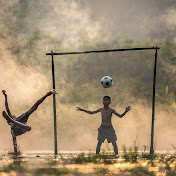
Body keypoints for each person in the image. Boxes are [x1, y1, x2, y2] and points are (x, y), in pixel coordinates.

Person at [2, 89, 57, 155]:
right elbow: (7, 108)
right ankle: (12, 121)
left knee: (31, 112)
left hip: (19, 125)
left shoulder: (20, 118)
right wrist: (15, 151)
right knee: (28, 127)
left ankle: (12, 121)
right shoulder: (15, 122)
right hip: (17, 127)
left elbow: (35, 106)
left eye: (13, 116)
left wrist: (5, 96)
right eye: (13, 116)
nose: (14, 116)